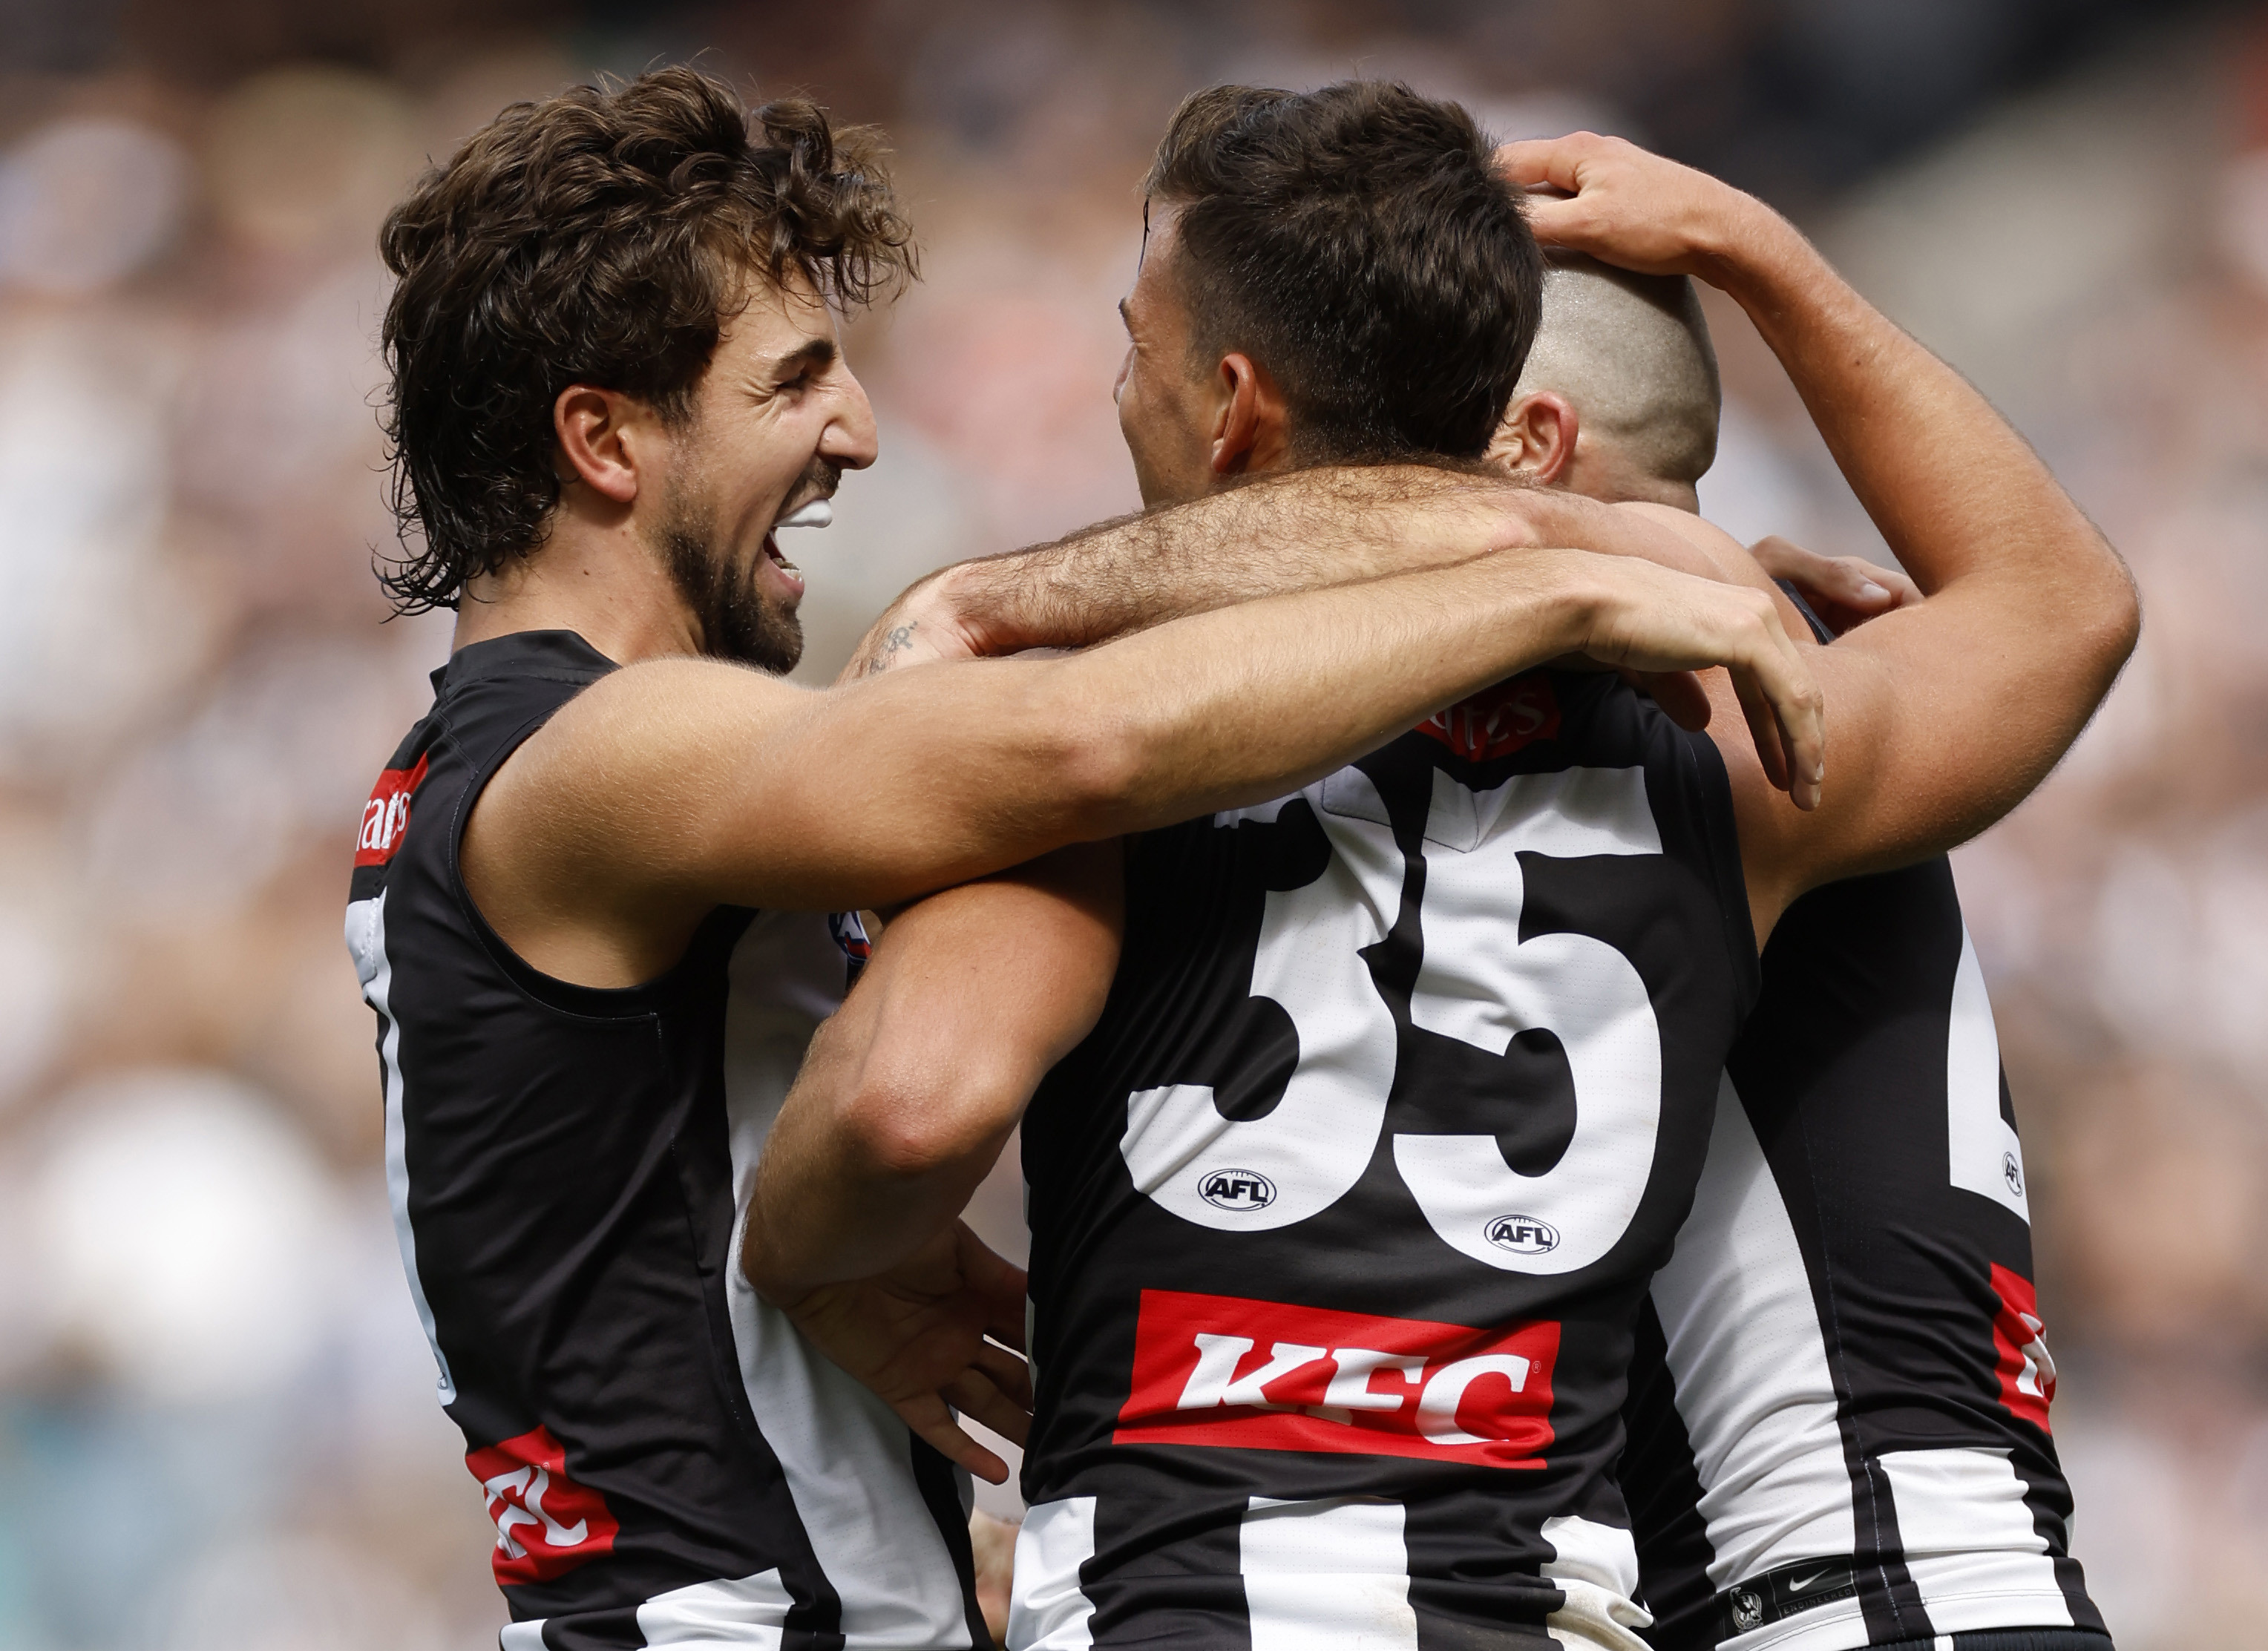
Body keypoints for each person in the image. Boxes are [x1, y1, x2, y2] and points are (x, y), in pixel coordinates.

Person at [346, 67, 1826, 1651]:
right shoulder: (589, 758)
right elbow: (1082, 746)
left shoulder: (515, 770)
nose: (853, 428)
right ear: (606, 440)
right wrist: (1569, 586)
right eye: (791, 383)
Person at [741, 84, 2136, 1651]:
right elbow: (2060, 610)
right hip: (1587, 1601)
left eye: (1135, 351)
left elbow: (905, 1099)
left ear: (1232, 402)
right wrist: (1733, 301)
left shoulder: (1097, 750)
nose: (1112, 390)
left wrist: (803, 1260)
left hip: (1270, 1592)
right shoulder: (1752, 732)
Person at [1492, 259, 2110, 1648]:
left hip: (1849, 1595)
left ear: (1529, 437)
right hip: (1892, 1585)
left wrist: (1742, 243)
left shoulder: (1697, 712)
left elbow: (2068, 606)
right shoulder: (1764, 670)